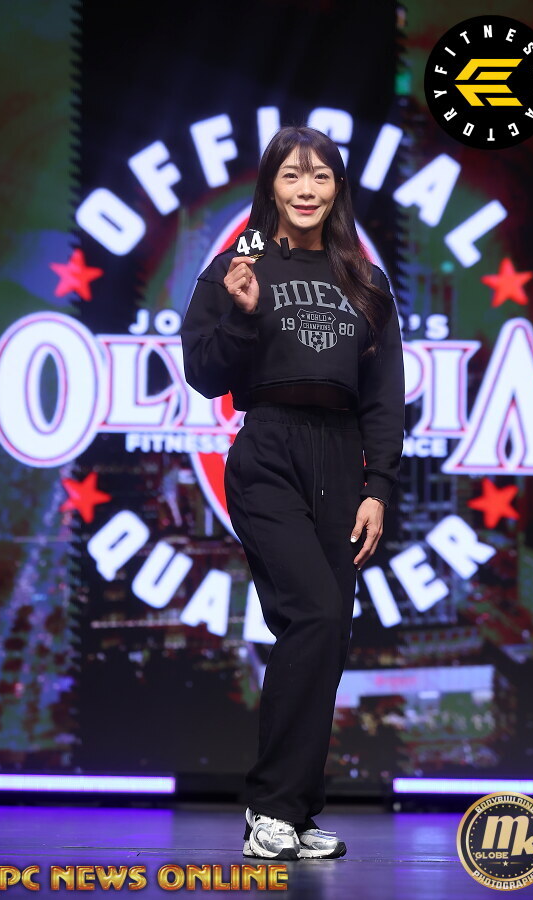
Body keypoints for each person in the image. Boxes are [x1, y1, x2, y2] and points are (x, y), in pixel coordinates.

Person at [181, 126, 405, 860]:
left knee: (327, 634)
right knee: (314, 613)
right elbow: (204, 374)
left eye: (320, 177)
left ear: (337, 189)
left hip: (342, 457)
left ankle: (296, 814)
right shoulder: (234, 269)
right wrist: (242, 315)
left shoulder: (364, 281)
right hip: (268, 450)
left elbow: (385, 398)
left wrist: (378, 486)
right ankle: (271, 808)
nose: (306, 190)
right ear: (271, 186)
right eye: (291, 176)